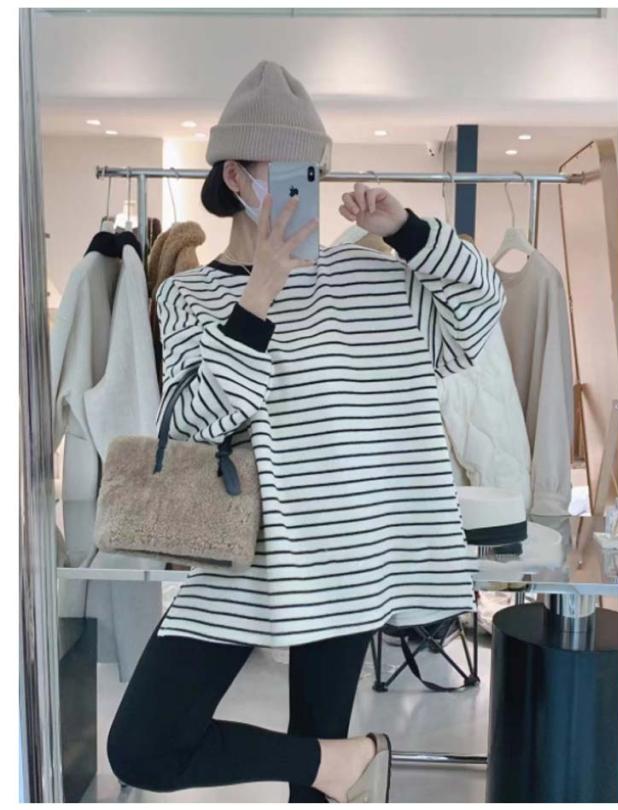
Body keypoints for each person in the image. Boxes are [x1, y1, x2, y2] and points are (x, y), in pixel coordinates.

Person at [107, 60, 506, 803]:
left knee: (314, 779)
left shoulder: (374, 276)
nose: (306, 191)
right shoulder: (189, 295)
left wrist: (407, 230)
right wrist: (261, 290)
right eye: (287, 172)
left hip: (353, 557)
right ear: (236, 177)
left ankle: (331, 770)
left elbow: (479, 314)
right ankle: (340, 763)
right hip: (247, 558)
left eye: (313, 173)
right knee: (144, 747)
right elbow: (198, 421)